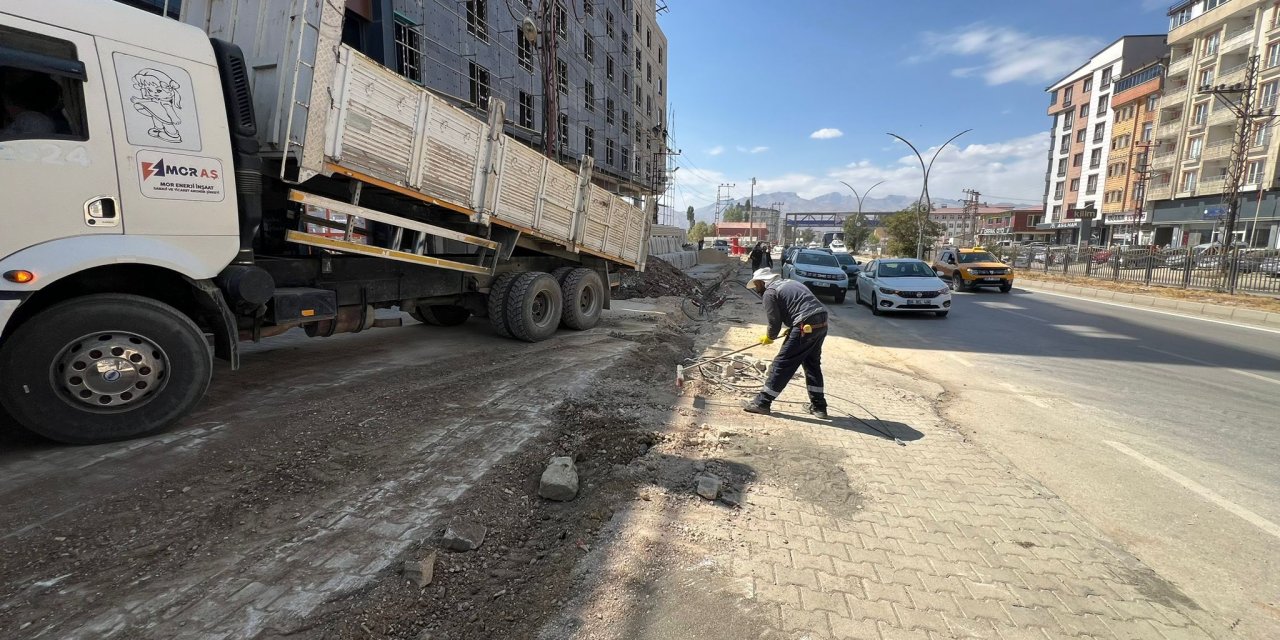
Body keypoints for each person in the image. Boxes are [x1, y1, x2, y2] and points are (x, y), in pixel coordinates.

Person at [742, 268, 829, 419]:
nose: (757, 290)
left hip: (805, 325)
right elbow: (799, 305)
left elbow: (774, 322)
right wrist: (793, 328)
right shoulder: (789, 282)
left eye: (756, 285)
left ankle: (762, 403)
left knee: (782, 363)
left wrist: (770, 337)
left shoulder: (770, 292)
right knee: (812, 364)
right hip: (821, 322)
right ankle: (819, 407)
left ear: (762, 282)